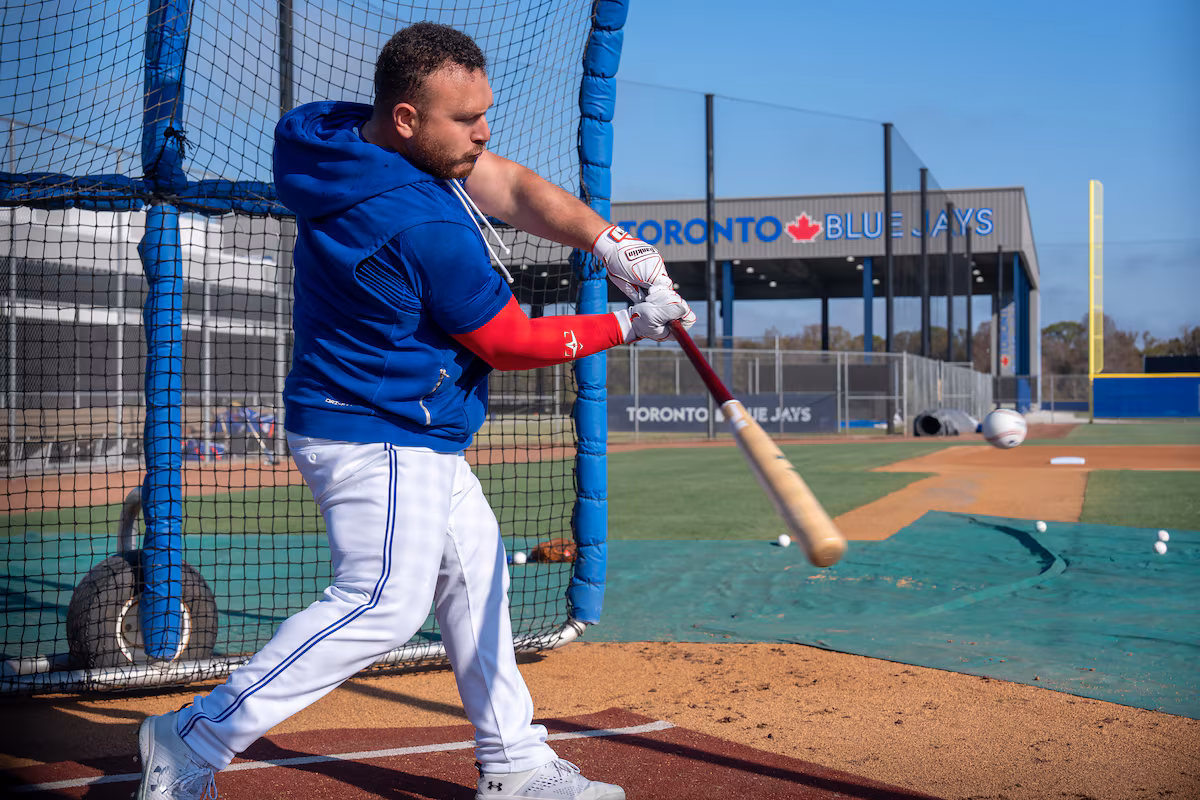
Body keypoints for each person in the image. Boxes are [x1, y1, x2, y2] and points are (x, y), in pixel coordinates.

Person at [135, 21, 693, 800]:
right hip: (381, 431)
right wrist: (629, 325)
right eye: (465, 120)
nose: (483, 131)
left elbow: (507, 184)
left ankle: (515, 762)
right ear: (406, 119)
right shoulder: (423, 225)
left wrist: (609, 241)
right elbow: (508, 341)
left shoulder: (322, 134)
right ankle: (192, 736)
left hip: (392, 422)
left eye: (484, 111)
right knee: (382, 603)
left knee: (477, 578)